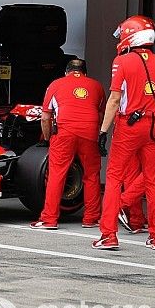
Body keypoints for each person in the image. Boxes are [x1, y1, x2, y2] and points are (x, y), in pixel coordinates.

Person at [93, 16, 155, 251]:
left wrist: (102, 131)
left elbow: (114, 100)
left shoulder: (122, 62)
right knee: (153, 183)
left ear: (131, 35)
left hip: (128, 127)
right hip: (154, 128)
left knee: (113, 179)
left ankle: (109, 235)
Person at [29, 58, 105, 230]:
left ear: (66, 71)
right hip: (90, 131)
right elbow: (101, 115)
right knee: (91, 175)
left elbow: (45, 117)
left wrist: (48, 138)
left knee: (57, 174)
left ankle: (49, 219)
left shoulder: (55, 85)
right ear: (85, 72)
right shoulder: (97, 86)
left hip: (65, 133)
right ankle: (91, 218)